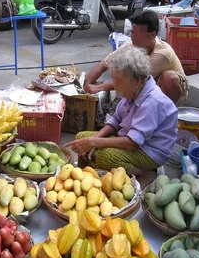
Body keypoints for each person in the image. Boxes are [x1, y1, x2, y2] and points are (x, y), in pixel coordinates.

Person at [66, 46, 178, 174]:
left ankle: (145, 173)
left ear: (137, 81)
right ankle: (87, 179)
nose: (114, 84)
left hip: (149, 151)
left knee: (106, 156)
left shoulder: (152, 102)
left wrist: (94, 142)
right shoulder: (131, 91)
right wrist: (94, 140)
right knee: (81, 139)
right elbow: (115, 120)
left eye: (118, 80)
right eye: (113, 78)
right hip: (127, 137)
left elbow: (132, 143)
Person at [84, 9, 189, 105]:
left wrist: (99, 87)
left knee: (168, 78)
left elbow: (133, 80)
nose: (133, 37)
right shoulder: (131, 44)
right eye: (133, 33)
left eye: (139, 34)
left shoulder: (163, 53)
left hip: (173, 89)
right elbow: (103, 64)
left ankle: (166, 111)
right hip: (146, 85)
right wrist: (87, 87)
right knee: (119, 69)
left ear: (152, 34)